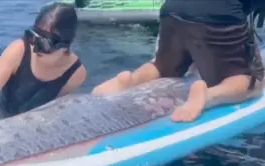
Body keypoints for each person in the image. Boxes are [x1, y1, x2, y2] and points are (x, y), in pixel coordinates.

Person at [92, 0, 264, 122]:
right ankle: (208, 96)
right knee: (253, 81)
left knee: (164, 66)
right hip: (217, 13)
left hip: (172, 9)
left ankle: (130, 81)